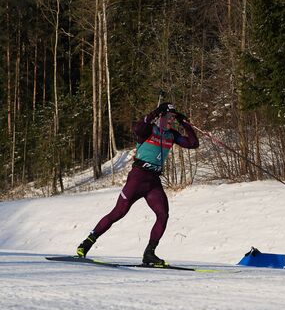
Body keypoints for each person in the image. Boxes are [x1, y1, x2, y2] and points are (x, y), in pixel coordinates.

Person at [76, 102, 199, 266]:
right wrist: (155, 112)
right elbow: (138, 128)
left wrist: (185, 124)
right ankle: (87, 243)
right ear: (161, 117)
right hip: (137, 179)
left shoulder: (172, 135)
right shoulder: (148, 130)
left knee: (163, 214)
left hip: (153, 182)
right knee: (118, 213)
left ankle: (149, 253)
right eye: (169, 117)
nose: (171, 121)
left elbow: (193, 143)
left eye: (173, 118)